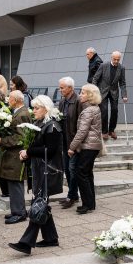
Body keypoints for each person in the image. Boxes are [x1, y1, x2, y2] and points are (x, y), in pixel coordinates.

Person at [8, 95, 64, 255]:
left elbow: (51, 150)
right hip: (40, 171)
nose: (34, 111)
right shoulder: (40, 124)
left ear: (46, 108)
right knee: (42, 204)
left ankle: (26, 243)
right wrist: (27, 154)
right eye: (33, 108)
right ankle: (51, 238)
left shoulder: (52, 126)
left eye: (37, 108)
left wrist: (29, 152)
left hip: (49, 171)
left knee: (38, 205)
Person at [0, 90, 32, 224]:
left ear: (16, 100)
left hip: (16, 155)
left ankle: (19, 213)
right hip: (13, 155)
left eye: (9, 98)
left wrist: (3, 141)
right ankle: (16, 210)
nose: (7, 100)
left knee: (15, 184)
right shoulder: (19, 112)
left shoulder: (21, 114)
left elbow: (20, 137)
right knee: (13, 184)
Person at [68, 83, 103, 214]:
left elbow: (82, 132)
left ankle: (87, 204)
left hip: (88, 146)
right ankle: (90, 203)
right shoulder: (95, 108)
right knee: (87, 173)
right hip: (92, 146)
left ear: (89, 96)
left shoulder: (89, 110)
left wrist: (72, 147)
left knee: (81, 173)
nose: (80, 95)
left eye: (82, 93)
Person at [91, 50, 128, 139]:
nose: (116, 61)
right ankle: (104, 131)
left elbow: (122, 83)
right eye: (114, 59)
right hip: (102, 91)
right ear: (111, 58)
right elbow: (95, 79)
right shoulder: (103, 66)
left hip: (114, 92)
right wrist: (95, 90)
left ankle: (111, 130)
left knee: (114, 110)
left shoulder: (121, 68)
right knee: (104, 111)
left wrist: (124, 95)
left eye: (118, 60)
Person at [58, 76, 82, 209]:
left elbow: (80, 124)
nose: (60, 90)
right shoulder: (62, 102)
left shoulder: (78, 101)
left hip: (74, 142)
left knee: (73, 169)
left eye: (62, 87)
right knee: (67, 169)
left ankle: (71, 196)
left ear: (70, 88)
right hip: (65, 142)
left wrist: (76, 144)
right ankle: (74, 194)